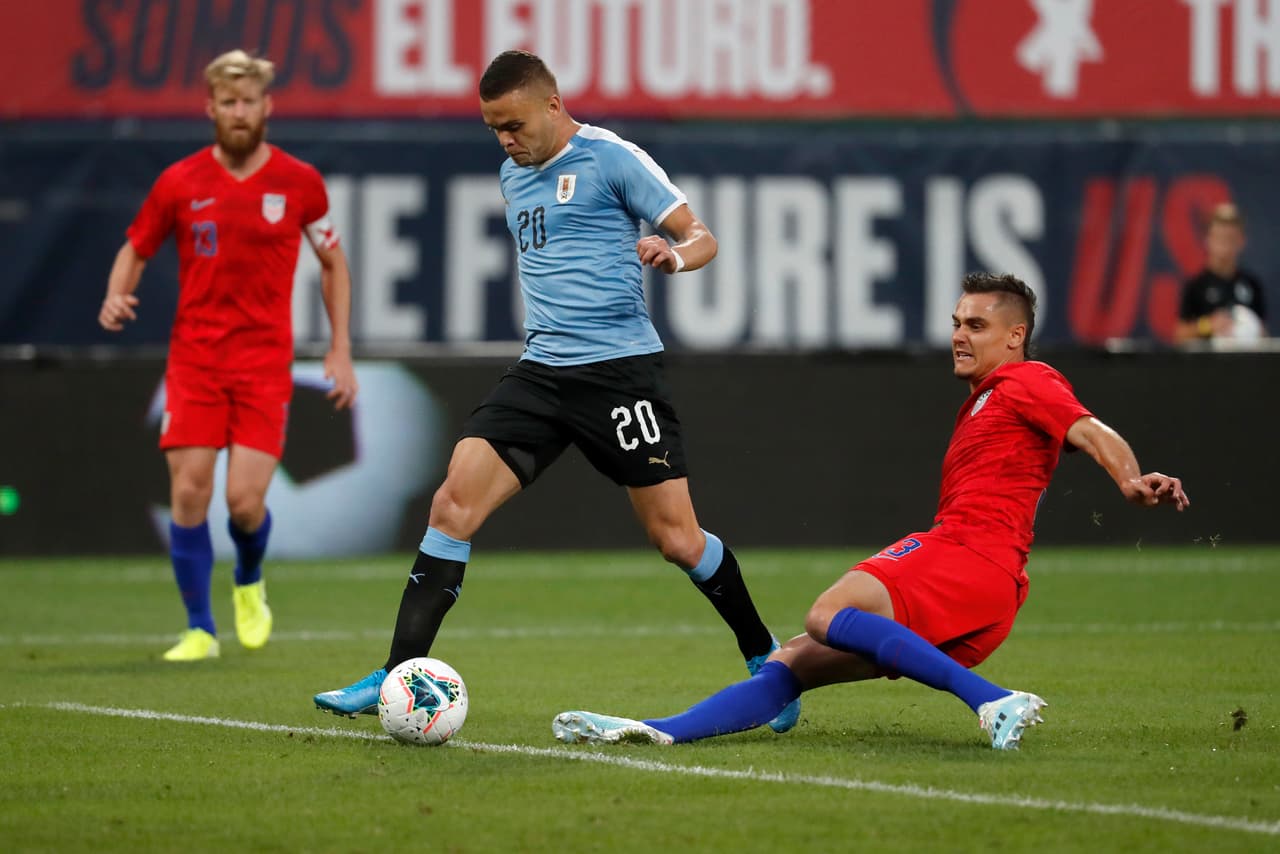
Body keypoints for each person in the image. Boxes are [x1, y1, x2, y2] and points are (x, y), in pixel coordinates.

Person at [313, 49, 799, 734]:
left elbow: (702, 236)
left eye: (513, 124)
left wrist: (674, 254)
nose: (505, 141)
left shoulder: (613, 158)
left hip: (619, 372)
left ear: (552, 104)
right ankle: (394, 674)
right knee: (452, 503)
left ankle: (765, 658)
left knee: (678, 540)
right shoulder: (513, 175)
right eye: (492, 129)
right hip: (542, 372)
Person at [551, 272, 1189, 751]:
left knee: (828, 613)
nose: (959, 336)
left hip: (970, 557)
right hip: (985, 597)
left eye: (977, 325)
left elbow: (1092, 431)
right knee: (791, 661)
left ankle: (993, 701)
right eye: (957, 322)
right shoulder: (984, 401)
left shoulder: (1028, 380)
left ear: (1015, 336)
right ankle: (658, 732)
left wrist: (1130, 483)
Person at [99, 49, 357, 662]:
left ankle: (248, 579)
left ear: (266, 108)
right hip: (195, 361)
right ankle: (199, 628)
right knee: (189, 491)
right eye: (229, 102)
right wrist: (117, 293)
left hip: (265, 363)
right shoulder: (180, 182)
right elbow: (135, 247)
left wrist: (340, 349)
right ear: (210, 108)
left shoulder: (298, 182)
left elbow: (332, 262)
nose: (239, 112)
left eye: (249, 102)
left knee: (244, 503)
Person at [1175, 202, 1268, 343]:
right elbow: (1179, 335)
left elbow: (1264, 335)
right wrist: (1208, 325)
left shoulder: (1252, 285)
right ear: (1208, 239)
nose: (1225, 245)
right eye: (1220, 238)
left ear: (1241, 241)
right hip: (1208, 363)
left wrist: (1252, 330)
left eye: (1230, 238)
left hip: (1245, 362)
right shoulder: (1196, 286)